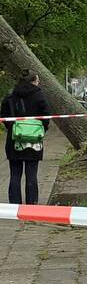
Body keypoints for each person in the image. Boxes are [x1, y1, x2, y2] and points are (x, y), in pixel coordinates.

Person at [2, 69, 49, 204]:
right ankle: (31, 204)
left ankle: (14, 205)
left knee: (15, 174)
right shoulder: (39, 95)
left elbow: (3, 115)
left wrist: (12, 129)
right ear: (33, 81)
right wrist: (40, 131)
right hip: (34, 140)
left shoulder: (10, 95)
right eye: (38, 80)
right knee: (32, 174)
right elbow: (46, 115)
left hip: (14, 139)